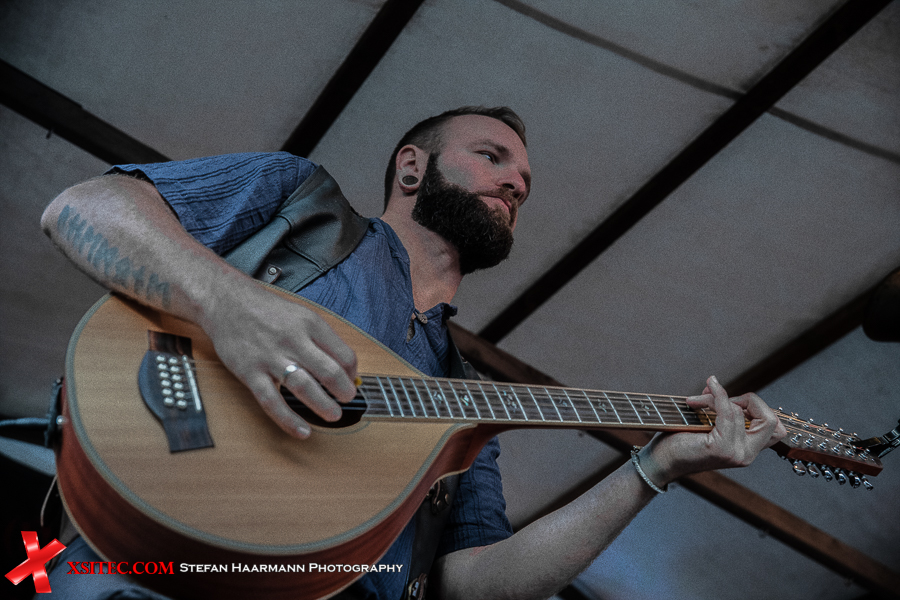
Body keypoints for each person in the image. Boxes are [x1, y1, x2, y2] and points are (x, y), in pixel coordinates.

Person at [41, 106, 786, 600]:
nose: (515, 183)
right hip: (151, 567)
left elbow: (477, 583)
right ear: (411, 168)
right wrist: (229, 305)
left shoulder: (464, 394)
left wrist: (654, 468)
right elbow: (83, 207)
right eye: (492, 157)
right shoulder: (302, 202)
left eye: (524, 184)